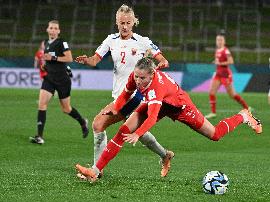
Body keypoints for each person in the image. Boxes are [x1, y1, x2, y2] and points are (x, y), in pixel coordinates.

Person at [75, 57, 262, 182]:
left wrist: (138, 134)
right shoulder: (136, 76)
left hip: (180, 107)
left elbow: (153, 116)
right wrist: (115, 108)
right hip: (160, 104)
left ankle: (243, 115)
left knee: (214, 134)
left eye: (142, 78)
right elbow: (126, 93)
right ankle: (95, 171)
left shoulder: (156, 87)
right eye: (137, 77)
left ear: (152, 74)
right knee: (124, 130)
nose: (138, 81)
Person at [75, 4, 173, 177]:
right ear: (117, 22)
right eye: (122, 23)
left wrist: (162, 62)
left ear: (133, 22)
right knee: (139, 133)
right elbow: (95, 60)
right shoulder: (110, 40)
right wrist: (86, 61)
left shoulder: (143, 41)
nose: (125, 26)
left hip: (136, 96)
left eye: (128, 22)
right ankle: (165, 155)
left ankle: (97, 171)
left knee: (98, 124)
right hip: (120, 95)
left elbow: (162, 59)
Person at [30, 20, 89, 144]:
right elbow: (46, 60)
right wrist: (44, 66)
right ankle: (39, 137)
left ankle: (82, 122)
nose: (53, 30)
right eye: (51, 28)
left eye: (55, 28)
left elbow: (69, 58)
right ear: (47, 29)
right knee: (42, 104)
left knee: (66, 109)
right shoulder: (45, 43)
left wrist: (54, 58)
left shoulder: (62, 42)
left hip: (62, 80)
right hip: (49, 78)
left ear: (58, 31)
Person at [205, 34, 250, 119]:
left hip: (226, 75)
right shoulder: (217, 50)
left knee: (233, 95)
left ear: (224, 41)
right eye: (218, 40)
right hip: (218, 74)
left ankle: (247, 108)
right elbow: (219, 61)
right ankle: (213, 113)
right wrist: (216, 61)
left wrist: (220, 63)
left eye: (221, 40)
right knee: (211, 92)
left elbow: (231, 61)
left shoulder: (226, 51)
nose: (219, 42)